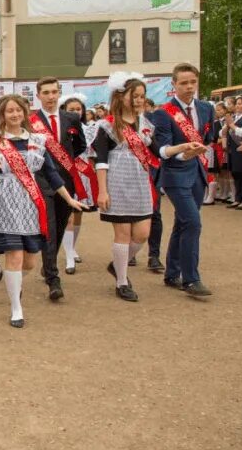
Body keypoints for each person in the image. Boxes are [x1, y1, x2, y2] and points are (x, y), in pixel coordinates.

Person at [0, 95, 86, 327]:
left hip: (31, 202)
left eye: (18, 110)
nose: (14, 114)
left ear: (25, 112)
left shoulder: (38, 141)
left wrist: (69, 199)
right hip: (5, 202)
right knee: (15, 255)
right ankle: (16, 308)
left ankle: (12, 280)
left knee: (29, 262)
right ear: (3, 114)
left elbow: (51, 174)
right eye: (9, 111)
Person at [148, 63, 216, 297]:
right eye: (183, 83)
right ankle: (191, 279)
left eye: (192, 82)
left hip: (197, 173)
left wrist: (196, 152)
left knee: (183, 223)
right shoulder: (163, 112)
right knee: (193, 223)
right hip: (175, 174)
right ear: (174, 84)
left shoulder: (206, 108)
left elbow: (208, 137)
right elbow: (163, 147)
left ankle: (172, 273)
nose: (189, 87)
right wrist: (184, 152)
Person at [93, 74, 158, 302]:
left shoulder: (145, 125)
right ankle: (122, 281)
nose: (139, 100)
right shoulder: (107, 126)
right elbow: (100, 160)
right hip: (117, 183)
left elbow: (159, 151)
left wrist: (182, 150)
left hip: (140, 183)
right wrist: (102, 190)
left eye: (142, 96)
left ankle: (116, 264)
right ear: (122, 97)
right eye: (135, 96)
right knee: (123, 234)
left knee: (142, 234)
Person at [30, 77, 89, 301]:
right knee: (49, 227)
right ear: (38, 96)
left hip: (66, 181)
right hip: (41, 181)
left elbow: (80, 145)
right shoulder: (31, 120)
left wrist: (67, 163)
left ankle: (48, 264)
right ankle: (54, 279)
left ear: (59, 93)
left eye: (54, 92)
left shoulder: (72, 118)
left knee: (62, 225)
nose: (50, 96)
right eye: (45, 92)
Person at [61, 96, 93, 273]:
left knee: (79, 214)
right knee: (69, 217)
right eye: (71, 109)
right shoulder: (61, 127)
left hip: (83, 174)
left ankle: (72, 247)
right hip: (66, 173)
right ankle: (68, 257)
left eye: (78, 109)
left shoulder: (90, 129)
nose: (75, 112)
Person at [223, 96, 242, 209]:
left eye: (240, 104)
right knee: (235, 173)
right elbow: (222, 133)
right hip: (233, 149)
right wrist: (227, 126)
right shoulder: (235, 117)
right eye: (237, 104)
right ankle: (237, 197)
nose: (237, 106)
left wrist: (232, 125)